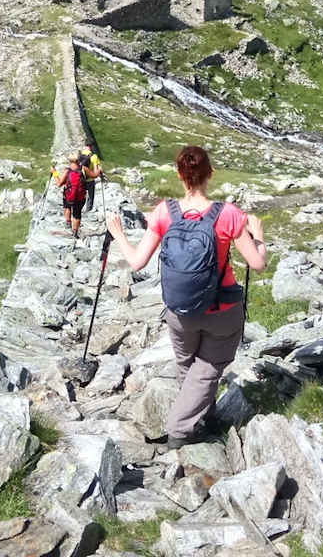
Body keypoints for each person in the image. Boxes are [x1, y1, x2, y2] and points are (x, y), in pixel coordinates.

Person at [106, 145, 266, 447]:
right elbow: (257, 263)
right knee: (207, 370)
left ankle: (200, 418)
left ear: (180, 174)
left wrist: (120, 237)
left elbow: (137, 262)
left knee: (187, 366)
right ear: (211, 174)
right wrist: (258, 235)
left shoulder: (165, 212)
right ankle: (180, 429)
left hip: (180, 312)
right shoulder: (229, 215)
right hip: (222, 310)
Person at [57, 152, 89, 237]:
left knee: (67, 206)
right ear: (78, 160)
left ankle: (68, 222)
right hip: (80, 197)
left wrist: (54, 173)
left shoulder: (67, 171)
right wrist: (99, 171)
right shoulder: (83, 169)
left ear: (69, 161)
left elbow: (59, 184)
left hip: (69, 196)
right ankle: (75, 232)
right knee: (77, 213)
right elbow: (94, 175)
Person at [78, 141, 103, 212]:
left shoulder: (79, 155)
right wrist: (100, 171)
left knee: (80, 195)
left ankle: (78, 210)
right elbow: (96, 171)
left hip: (80, 179)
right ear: (92, 146)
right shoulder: (94, 157)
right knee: (90, 197)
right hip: (90, 179)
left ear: (85, 145)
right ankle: (88, 211)